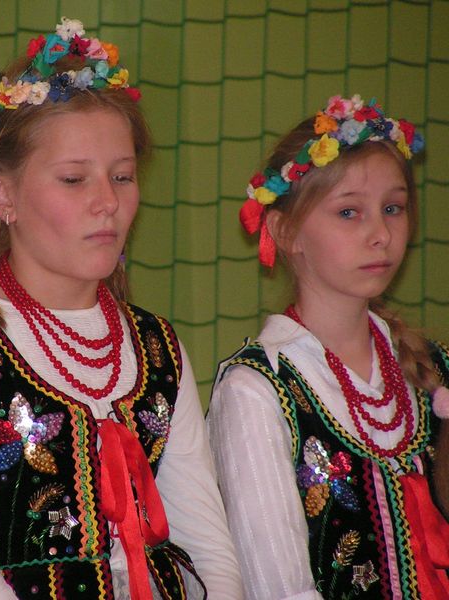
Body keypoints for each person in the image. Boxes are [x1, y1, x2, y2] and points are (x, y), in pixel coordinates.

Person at [0, 17, 242, 600]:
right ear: (1, 195)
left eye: (122, 176)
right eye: (75, 179)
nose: (107, 202)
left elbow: (209, 550)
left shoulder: (156, 346)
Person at [208, 94, 449, 599]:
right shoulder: (258, 389)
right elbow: (280, 590)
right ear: (285, 231)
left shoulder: (435, 367)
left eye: (393, 208)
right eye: (348, 212)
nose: (381, 234)